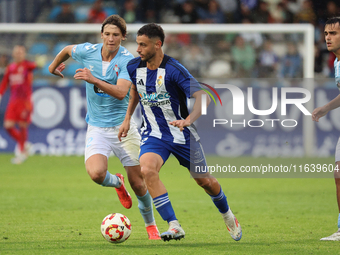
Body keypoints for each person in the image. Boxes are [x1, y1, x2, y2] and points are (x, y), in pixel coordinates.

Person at [118, 23, 242, 242]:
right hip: (154, 134)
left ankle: (228, 215)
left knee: (204, 181)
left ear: (158, 45)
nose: (138, 49)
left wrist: (188, 120)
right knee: (146, 169)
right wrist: (128, 118)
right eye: (137, 44)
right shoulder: (134, 67)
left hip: (183, 134)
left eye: (143, 45)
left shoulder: (175, 70)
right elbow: (135, 91)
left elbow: (202, 97)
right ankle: (174, 225)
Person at [48, 15, 160, 240]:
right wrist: (53, 67)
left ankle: (151, 226)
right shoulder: (88, 51)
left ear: (123, 37)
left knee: (139, 184)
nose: (111, 38)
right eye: (107, 34)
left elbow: (121, 93)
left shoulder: (128, 61)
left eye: (116, 35)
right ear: (101, 35)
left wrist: (93, 79)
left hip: (123, 128)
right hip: (97, 127)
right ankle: (117, 182)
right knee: (96, 174)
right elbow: (68, 49)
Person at [312, 16, 340, 241]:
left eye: (334, 34)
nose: (328, 38)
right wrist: (326, 108)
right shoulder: (337, 62)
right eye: (326, 34)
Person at [0, 45, 36, 164]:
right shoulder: (10, 68)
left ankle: (21, 154)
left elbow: (34, 66)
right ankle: (24, 145)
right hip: (13, 101)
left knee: (22, 126)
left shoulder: (27, 66)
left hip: (24, 101)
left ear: (24, 54)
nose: (19, 54)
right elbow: (4, 83)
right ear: (14, 54)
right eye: (17, 52)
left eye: (21, 52)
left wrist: (39, 63)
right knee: (7, 126)